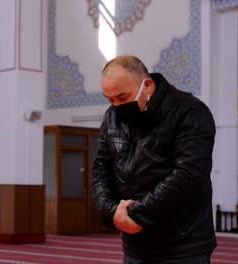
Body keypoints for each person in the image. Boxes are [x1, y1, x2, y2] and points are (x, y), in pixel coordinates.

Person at [91, 55, 217, 264]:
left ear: (147, 85)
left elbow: (188, 174)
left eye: (122, 98)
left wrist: (137, 214)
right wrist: (111, 213)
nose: (116, 106)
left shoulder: (189, 111)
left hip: (183, 245)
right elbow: (101, 169)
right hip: (135, 245)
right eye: (110, 100)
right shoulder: (112, 117)